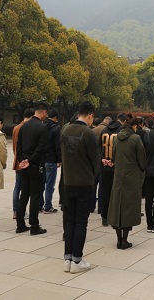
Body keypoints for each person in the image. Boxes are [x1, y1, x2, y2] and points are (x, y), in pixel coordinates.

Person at [61, 101, 100, 273]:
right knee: (81, 222)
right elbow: (95, 161)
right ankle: (77, 260)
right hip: (84, 183)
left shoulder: (65, 130)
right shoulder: (88, 133)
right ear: (90, 115)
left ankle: (68, 258)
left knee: (70, 221)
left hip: (68, 182)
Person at [107, 116, 146, 249]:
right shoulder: (136, 138)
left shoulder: (116, 138)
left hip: (118, 176)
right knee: (129, 208)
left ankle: (118, 240)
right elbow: (142, 160)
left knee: (117, 207)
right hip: (132, 177)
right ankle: (125, 240)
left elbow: (113, 156)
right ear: (134, 126)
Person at [16, 102, 48, 235]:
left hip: (24, 165)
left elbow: (18, 145)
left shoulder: (24, 126)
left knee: (24, 195)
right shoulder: (42, 127)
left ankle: (20, 224)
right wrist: (30, 161)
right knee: (35, 196)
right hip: (35, 166)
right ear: (44, 112)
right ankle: (34, 226)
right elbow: (41, 148)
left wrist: (22, 160)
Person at [99, 113, 129, 226]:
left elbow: (98, 147)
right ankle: (115, 215)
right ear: (125, 121)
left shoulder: (104, 130)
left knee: (105, 191)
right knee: (117, 192)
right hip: (117, 166)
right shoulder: (121, 131)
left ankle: (104, 216)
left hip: (105, 165)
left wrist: (102, 159)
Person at [12, 108, 34, 219]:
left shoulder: (16, 128)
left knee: (17, 187)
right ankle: (20, 211)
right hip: (25, 162)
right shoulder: (27, 128)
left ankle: (15, 211)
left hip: (17, 161)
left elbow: (14, 146)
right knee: (24, 189)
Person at [42, 108, 61, 213]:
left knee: (41, 183)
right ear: (55, 118)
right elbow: (57, 146)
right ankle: (48, 205)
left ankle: (39, 204)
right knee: (50, 184)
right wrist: (59, 159)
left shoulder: (42, 125)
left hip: (42, 159)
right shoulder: (56, 129)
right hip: (51, 159)